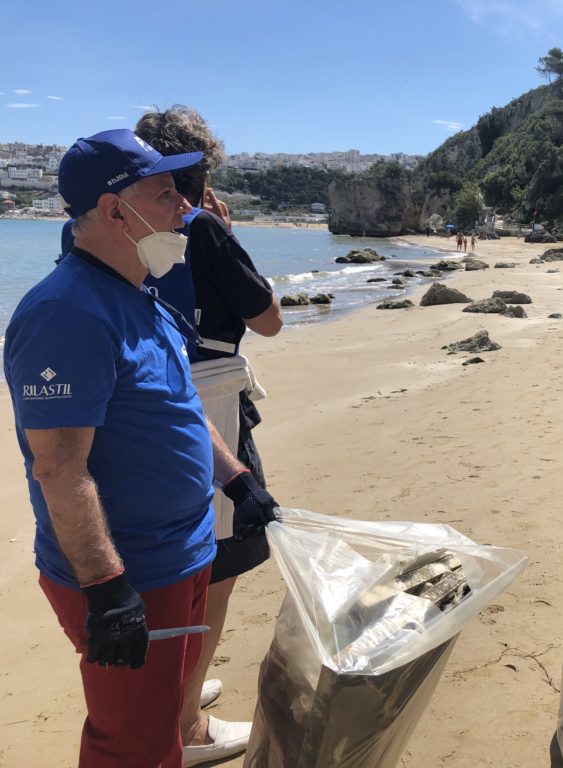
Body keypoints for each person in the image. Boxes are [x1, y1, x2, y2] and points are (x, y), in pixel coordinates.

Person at [4, 128, 280, 768]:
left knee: (162, 716)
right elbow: (59, 467)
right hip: (133, 572)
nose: (184, 207)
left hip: (185, 552)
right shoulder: (65, 314)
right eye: (163, 193)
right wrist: (106, 588)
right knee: (130, 744)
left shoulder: (141, 296)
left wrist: (237, 480)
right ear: (113, 211)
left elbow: (180, 408)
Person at [134, 105, 283, 767]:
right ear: (203, 169)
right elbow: (268, 319)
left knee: (170, 564)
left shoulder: (123, 223)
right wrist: (226, 237)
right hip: (211, 405)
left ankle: (178, 694)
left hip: (145, 397)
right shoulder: (202, 227)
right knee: (213, 570)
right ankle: (187, 724)